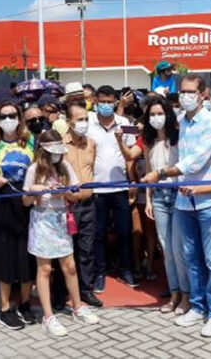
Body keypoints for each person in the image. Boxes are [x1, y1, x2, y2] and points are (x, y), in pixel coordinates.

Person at [141, 74, 211, 338]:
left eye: (191, 92)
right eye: (182, 92)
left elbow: (195, 163)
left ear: (203, 94)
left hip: (209, 201)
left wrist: (160, 174)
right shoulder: (181, 122)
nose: (185, 96)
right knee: (190, 258)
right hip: (183, 201)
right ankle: (198, 306)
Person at [22, 130, 100, 336]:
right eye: (52, 151)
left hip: (61, 219)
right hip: (42, 220)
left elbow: (75, 196)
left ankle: (77, 307)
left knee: (70, 266)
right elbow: (25, 201)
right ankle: (48, 316)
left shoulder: (65, 167)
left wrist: (62, 191)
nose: (57, 155)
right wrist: (36, 190)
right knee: (45, 269)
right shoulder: (33, 169)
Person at [0, 100, 36, 330]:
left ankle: (24, 304)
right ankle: (4, 307)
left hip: (26, 205)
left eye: (12, 115)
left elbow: (39, 169)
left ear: (19, 117)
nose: (8, 120)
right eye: (3, 116)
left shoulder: (30, 142)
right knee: (4, 257)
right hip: (2, 205)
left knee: (26, 256)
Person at [141, 97, 189, 314]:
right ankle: (174, 294)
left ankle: (187, 297)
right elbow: (148, 173)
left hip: (178, 195)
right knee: (167, 249)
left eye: (160, 113)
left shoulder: (179, 138)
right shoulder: (148, 142)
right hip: (159, 197)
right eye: (152, 114)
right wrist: (148, 200)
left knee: (180, 249)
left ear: (168, 114)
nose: (156, 118)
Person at [88, 85, 138, 290]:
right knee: (98, 234)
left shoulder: (124, 123)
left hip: (120, 187)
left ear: (116, 102)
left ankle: (126, 269)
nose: (106, 106)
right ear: (96, 102)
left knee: (124, 231)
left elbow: (130, 156)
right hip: (96, 188)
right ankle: (100, 272)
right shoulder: (89, 124)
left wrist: (133, 181)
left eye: (110, 102)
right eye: (102, 102)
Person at [62, 103, 102, 307]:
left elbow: (93, 169)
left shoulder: (92, 144)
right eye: (79, 119)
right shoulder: (59, 145)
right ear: (69, 122)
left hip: (88, 204)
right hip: (66, 206)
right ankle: (61, 292)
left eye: (86, 119)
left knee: (87, 249)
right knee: (64, 250)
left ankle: (86, 289)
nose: (84, 123)